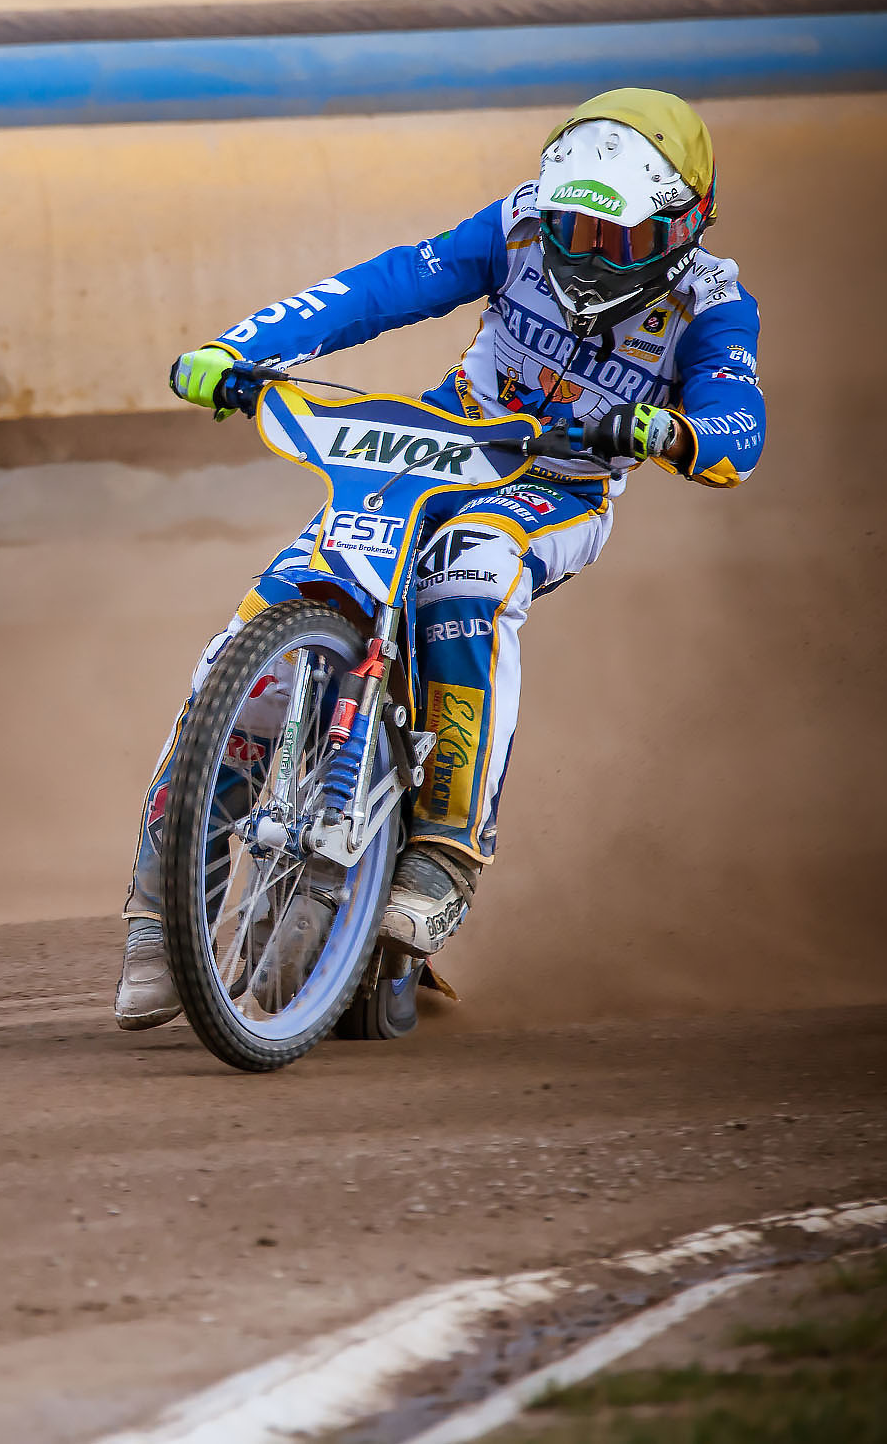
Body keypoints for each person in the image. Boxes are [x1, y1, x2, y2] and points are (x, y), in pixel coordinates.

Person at [115, 88, 768, 1030]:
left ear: (686, 225)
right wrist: (238, 348)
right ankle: (160, 904)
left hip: (561, 483)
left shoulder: (715, 300)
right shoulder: (512, 227)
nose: (583, 253)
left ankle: (443, 853)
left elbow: (736, 429)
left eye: (616, 240)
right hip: (444, 436)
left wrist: (673, 428)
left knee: (470, 571)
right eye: (568, 227)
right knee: (249, 642)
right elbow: (380, 287)